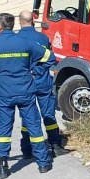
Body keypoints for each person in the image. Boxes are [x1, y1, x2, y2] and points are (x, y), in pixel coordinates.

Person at [0, 13, 56, 178]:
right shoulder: (25, 42)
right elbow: (50, 57)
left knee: (4, 129)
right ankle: (43, 163)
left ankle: (2, 166)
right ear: (12, 26)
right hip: (26, 91)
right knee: (34, 126)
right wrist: (36, 71)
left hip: (4, 93)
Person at [17, 10, 65, 158]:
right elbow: (50, 58)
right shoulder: (43, 38)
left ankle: (26, 149)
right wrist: (38, 70)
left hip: (25, 84)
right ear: (32, 21)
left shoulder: (16, 40)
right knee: (48, 115)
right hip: (43, 82)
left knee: (27, 117)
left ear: (20, 22)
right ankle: (56, 146)